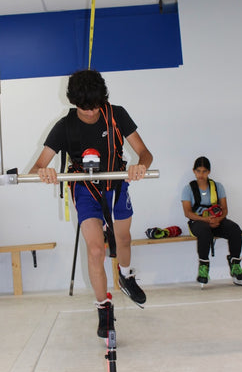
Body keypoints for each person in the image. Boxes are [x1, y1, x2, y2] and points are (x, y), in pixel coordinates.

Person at [30, 69, 153, 338]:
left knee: (123, 240)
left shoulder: (117, 114)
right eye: (83, 109)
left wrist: (140, 166)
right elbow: (37, 166)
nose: (89, 113)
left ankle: (125, 275)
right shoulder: (65, 126)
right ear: (74, 103)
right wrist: (44, 171)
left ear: (103, 99)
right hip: (85, 191)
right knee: (96, 250)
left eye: (94, 107)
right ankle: (104, 307)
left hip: (116, 186)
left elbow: (145, 153)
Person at [181, 156, 242, 286]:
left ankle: (235, 266)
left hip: (217, 220)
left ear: (209, 172)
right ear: (194, 171)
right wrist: (205, 219)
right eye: (198, 171)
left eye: (204, 171)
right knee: (205, 231)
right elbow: (187, 212)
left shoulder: (218, 187)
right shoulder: (188, 189)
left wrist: (218, 219)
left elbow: (225, 209)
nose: (201, 174)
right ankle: (204, 268)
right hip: (198, 222)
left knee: (235, 229)